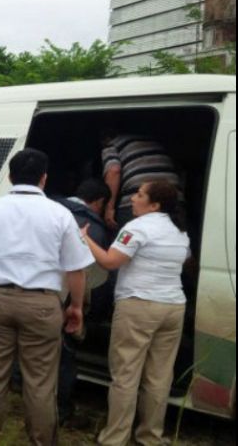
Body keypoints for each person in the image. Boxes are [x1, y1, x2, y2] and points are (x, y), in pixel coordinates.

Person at [0, 148, 94, 446]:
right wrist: (77, 308)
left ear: (9, 176)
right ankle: (42, 441)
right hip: (42, 305)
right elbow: (77, 269)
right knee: (40, 381)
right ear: (44, 178)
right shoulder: (61, 215)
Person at [81, 180, 190, 446]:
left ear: (154, 204)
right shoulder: (180, 231)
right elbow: (187, 262)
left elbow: (109, 261)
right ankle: (150, 436)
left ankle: (115, 437)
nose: (132, 199)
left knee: (126, 374)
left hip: (138, 305)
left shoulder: (137, 228)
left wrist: (85, 239)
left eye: (139, 195)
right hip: (173, 306)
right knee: (160, 376)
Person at [55, 178, 112, 425]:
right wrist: (88, 312)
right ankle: (61, 411)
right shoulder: (94, 229)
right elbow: (91, 277)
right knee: (64, 356)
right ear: (99, 202)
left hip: (33, 293)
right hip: (65, 300)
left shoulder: (50, 210)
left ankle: (18, 384)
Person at [101, 133, 180, 230]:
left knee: (129, 240)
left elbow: (114, 170)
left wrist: (109, 208)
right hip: (173, 196)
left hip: (141, 197)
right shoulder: (154, 140)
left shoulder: (111, 144)